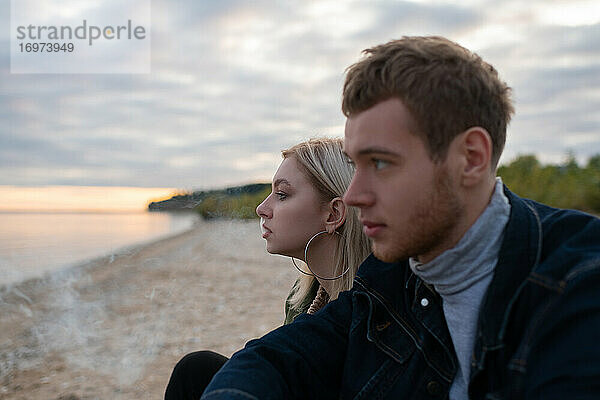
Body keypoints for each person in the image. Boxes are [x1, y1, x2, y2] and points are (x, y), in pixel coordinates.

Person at [200, 36, 600, 399]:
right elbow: (276, 358)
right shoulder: (391, 277)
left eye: (381, 163)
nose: (354, 196)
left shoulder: (577, 281)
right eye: (356, 165)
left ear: (471, 158)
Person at [164, 137, 371, 399]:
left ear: (333, 214)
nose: (261, 208)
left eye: (282, 195)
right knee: (195, 370)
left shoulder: (376, 304)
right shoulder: (304, 296)